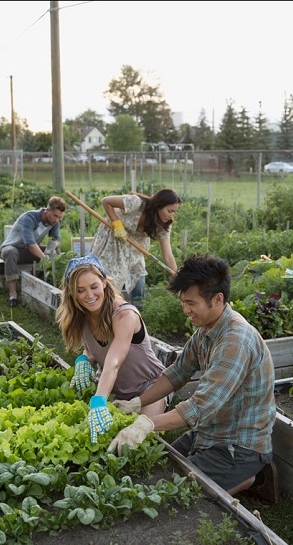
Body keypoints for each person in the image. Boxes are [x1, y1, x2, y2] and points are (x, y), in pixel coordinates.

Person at [108, 254, 279, 505]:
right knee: (159, 467)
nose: (185, 309)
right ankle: (246, 478)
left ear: (217, 299)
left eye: (191, 302)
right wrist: (137, 403)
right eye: (182, 302)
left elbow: (200, 406)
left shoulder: (235, 341)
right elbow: (177, 373)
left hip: (237, 446)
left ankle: (249, 476)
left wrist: (146, 424)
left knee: (172, 496)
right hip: (209, 432)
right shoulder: (206, 329)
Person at [55, 253, 168, 444]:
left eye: (94, 286)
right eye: (80, 290)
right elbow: (94, 348)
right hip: (114, 391)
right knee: (93, 438)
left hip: (148, 389)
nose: (89, 295)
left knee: (140, 440)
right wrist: (85, 359)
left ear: (104, 282)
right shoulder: (81, 316)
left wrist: (99, 401)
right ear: (72, 293)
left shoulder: (125, 315)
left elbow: (114, 362)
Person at [90, 189, 181, 308]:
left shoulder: (163, 225)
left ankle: (138, 312)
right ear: (159, 206)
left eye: (174, 212)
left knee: (138, 278)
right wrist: (117, 223)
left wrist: (175, 277)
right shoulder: (136, 203)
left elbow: (168, 255)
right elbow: (106, 201)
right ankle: (107, 310)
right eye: (169, 211)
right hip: (113, 239)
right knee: (111, 278)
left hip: (134, 248)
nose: (171, 216)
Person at [0, 196, 67, 307]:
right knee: (10, 252)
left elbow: (56, 239)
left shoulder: (54, 222)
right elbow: (30, 244)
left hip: (29, 251)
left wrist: (50, 249)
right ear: (47, 210)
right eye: (55, 215)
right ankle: (13, 294)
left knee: (57, 255)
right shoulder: (29, 218)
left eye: (60, 217)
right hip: (14, 248)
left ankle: (51, 284)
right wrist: (45, 259)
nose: (57, 220)